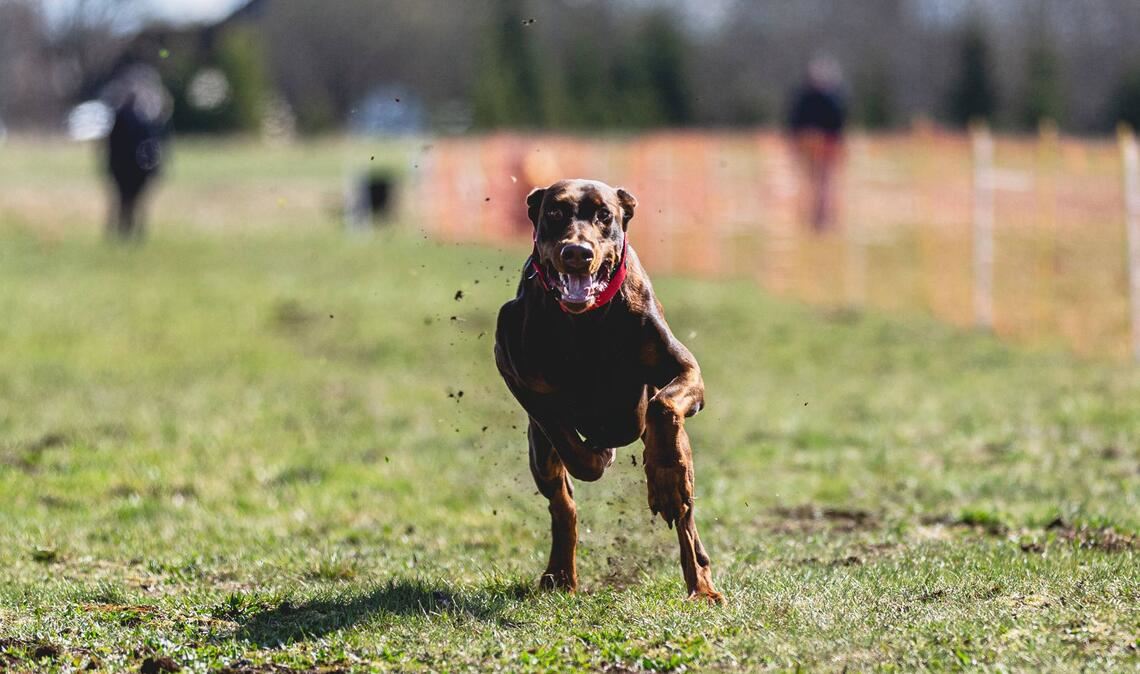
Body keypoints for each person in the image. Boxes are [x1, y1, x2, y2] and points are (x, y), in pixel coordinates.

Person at [105, 66, 170, 241]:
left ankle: (136, 233)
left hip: (142, 168)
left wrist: (156, 167)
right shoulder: (121, 115)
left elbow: (159, 143)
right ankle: (120, 233)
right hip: (123, 167)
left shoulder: (152, 115)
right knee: (123, 201)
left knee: (139, 201)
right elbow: (113, 145)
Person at [787, 56, 848, 232]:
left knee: (825, 184)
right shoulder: (803, 98)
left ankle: (824, 218)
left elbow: (838, 124)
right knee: (810, 183)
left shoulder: (833, 98)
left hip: (827, 145)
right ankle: (811, 217)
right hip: (808, 144)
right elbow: (795, 122)